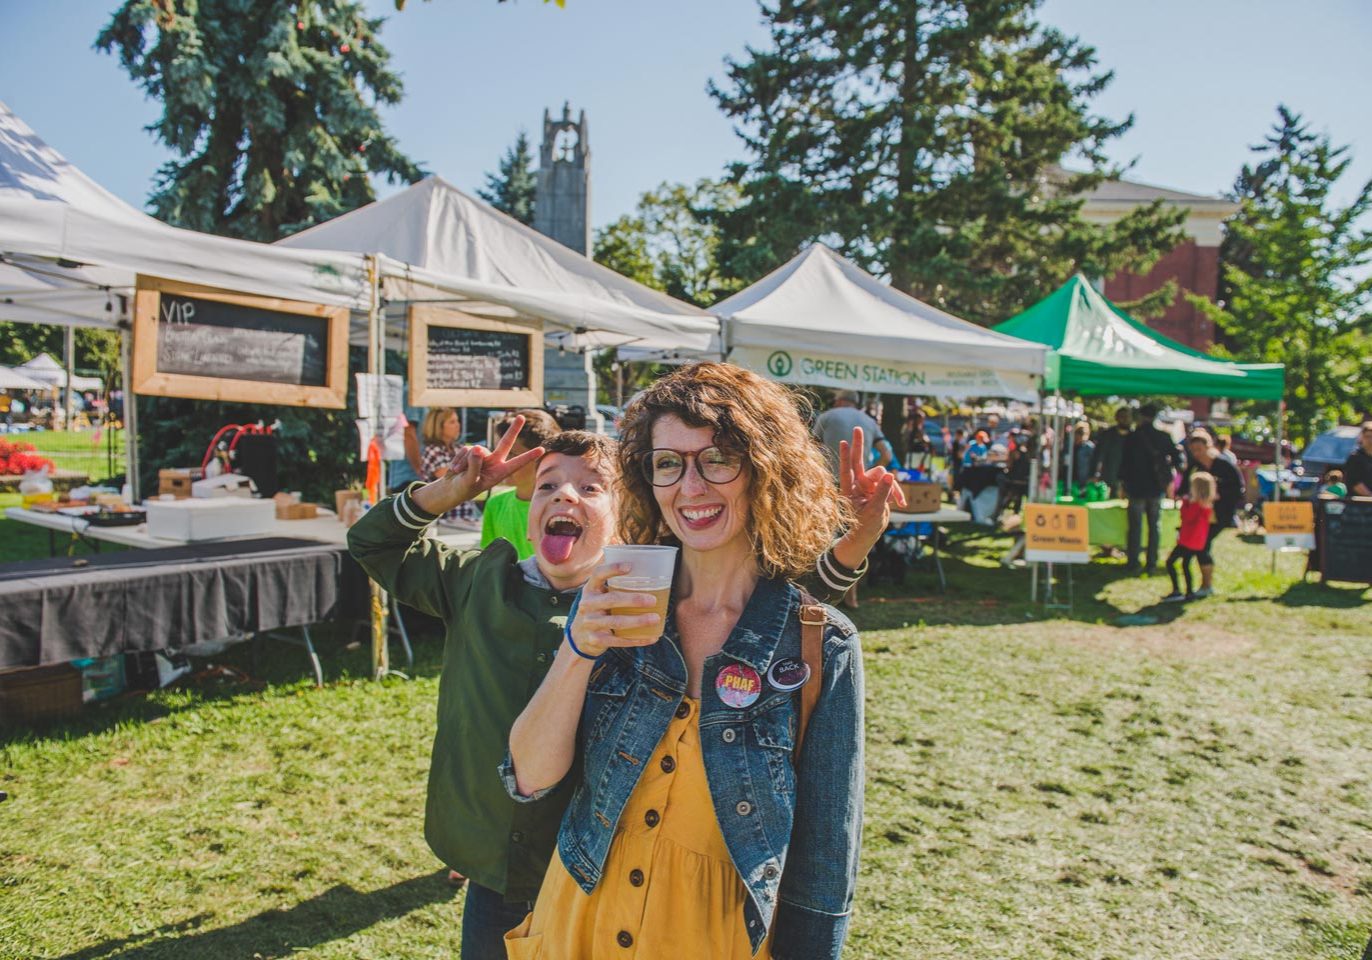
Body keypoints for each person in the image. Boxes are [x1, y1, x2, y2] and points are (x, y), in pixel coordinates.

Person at [503, 362, 900, 960]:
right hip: (578, 919)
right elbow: (529, 778)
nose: (690, 486)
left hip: (716, 937)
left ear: (765, 472)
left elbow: (825, 860)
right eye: (668, 462)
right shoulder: (615, 601)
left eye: (717, 458)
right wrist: (578, 650)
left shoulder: (821, 644)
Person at [480, 409, 563, 560]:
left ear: (541, 458)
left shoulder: (561, 510)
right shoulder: (495, 504)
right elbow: (488, 561)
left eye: (511, 454)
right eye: (498, 452)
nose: (502, 461)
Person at [1182, 430, 1245, 597]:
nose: (1196, 453)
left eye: (1199, 449)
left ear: (1208, 446)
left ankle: (1207, 585)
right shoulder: (1196, 467)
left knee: (1202, 545)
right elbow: (1184, 487)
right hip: (1200, 515)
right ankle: (1204, 584)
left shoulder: (1222, 465)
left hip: (1220, 514)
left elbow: (1238, 489)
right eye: (1193, 449)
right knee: (1200, 546)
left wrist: (1217, 495)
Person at [1120, 404, 1181, 573]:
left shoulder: (1133, 437)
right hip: (1156, 486)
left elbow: (1124, 463)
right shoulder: (1163, 436)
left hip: (1136, 486)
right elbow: (1177, 459)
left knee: (1135, 525)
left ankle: (1133, 561)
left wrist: (1123, 483)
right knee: (1154, 525)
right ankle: (1151, 561)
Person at [1163, 471, 1216, 603]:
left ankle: (1178, 590)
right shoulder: (1207, 505)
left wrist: (1185, 503)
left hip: (1188, 541)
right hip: (1195, 541)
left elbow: (1186, 516)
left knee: (1171, 562)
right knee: (1186, 564)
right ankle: (1189, 592)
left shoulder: (1196, 504)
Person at [812, 389, 891, 474]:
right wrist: (870, 473)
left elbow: (812, 446)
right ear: (855, 403)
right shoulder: (870, 421)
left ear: (839, 401)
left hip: (830, 479)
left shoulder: (826, 417)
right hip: (858, 482)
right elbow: (887, 455)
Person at [1090, 407, 1133, 497]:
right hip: (1108, 480)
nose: (1125, 419)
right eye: (1122, 417)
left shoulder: (1135, 436)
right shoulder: (1107, 435)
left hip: (1129, 481)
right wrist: (1094, 474)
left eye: (1127, 417)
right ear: (1116, 418)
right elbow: (1098, 456)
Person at [1342, 422, 1372, 497]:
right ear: (1361, 438)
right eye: (1367, 437)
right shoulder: (1355, 457)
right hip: (1358, 503)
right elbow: (1355, 483)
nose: (1370, 440)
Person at [1066, 421, 1094, 493]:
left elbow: (1094, 462)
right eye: (1079, 433)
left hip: (1083, 477)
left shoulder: (1089, 447)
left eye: (1083, 433)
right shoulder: (1069, 446)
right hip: (1070, 475)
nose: (1081, 436)